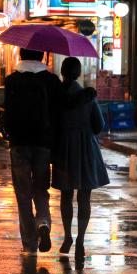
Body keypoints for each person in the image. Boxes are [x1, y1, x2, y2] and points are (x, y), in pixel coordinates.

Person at [3, 48, 63, 254]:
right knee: (41, 189)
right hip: (43, 144)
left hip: (19, 143)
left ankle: (29, 244)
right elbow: (58, 112)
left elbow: (7, 111)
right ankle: (43, 223)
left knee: (23, 194)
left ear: (20, 55)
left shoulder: (12, 80)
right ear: (42, 57)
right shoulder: (51, 80)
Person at [53, 57, 110, 262]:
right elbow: (99, 124)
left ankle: (67, 236)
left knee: (66, 195)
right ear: (78, 73)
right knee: (84, 196)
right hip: (86, 147)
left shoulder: (56, 95)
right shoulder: (88, 96)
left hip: (64, 148)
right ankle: (80, 240)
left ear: (62, 72)